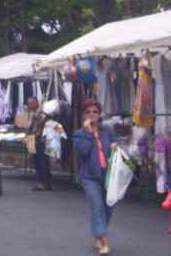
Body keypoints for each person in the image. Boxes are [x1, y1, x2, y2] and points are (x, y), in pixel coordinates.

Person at [72, 99, 118, 255]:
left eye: (95, 112)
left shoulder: (107, 131)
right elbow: (84, 151)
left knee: (108, 207)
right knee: (97, 207)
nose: (92, 114)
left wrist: (114, 147)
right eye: (88, 112)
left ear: (99, 115)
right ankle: (105, 242)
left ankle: (97, 235)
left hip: (108, 175)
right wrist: (89, 133)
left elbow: (115, 146)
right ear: (84, 115)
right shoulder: (79, 135)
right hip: (90, 177)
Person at [26, 96, 52, 191]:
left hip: (41, 140)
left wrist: (36, 134)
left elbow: (42, 126)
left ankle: (44, 183)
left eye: (32, 103)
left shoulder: (41, 113)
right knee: (39, 161)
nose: (30, 105)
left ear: (37, 103)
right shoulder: (34, 113)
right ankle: (43, 182)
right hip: (35, 140)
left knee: (42, 162)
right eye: (29, 104)